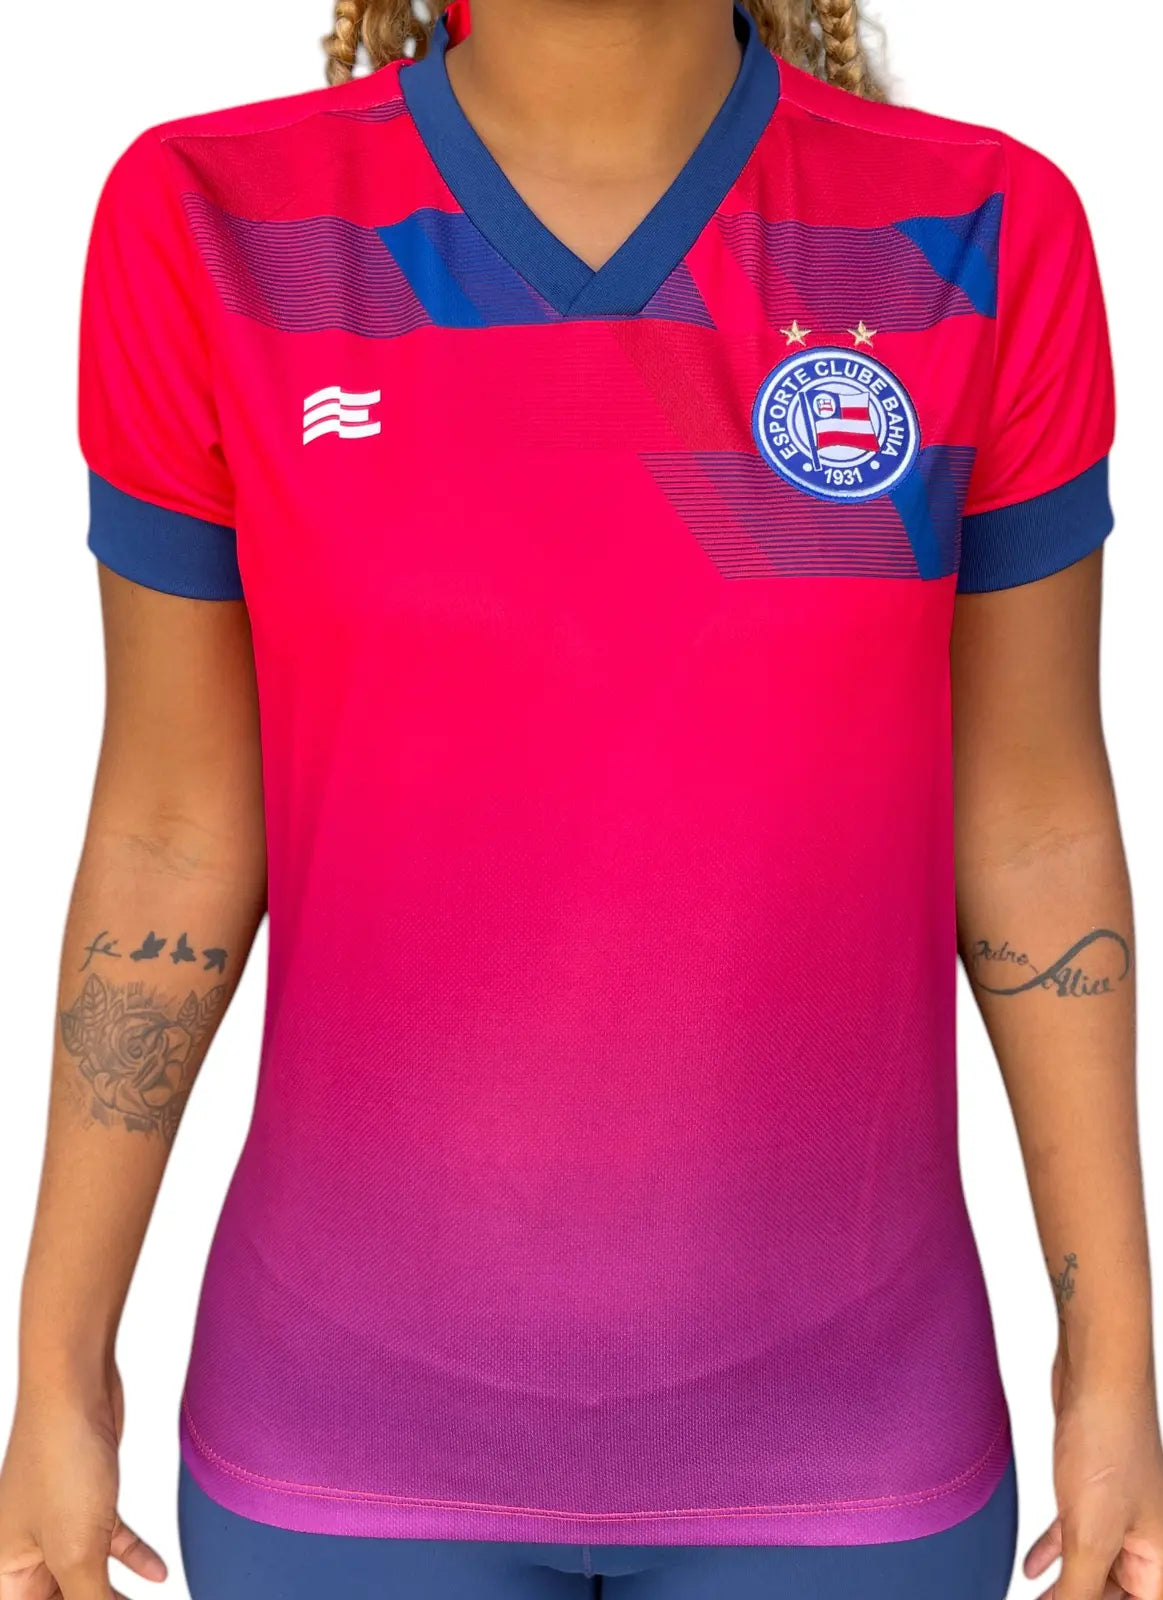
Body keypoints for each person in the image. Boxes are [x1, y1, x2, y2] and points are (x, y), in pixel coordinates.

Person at [1, 0, 1160, 1596]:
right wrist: (58, 1368)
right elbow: (170, 833)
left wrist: (1114, 1368)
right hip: (339, 1461)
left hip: (857, 1460)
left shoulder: (979, 231)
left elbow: (1034, 833)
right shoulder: (214, 223)